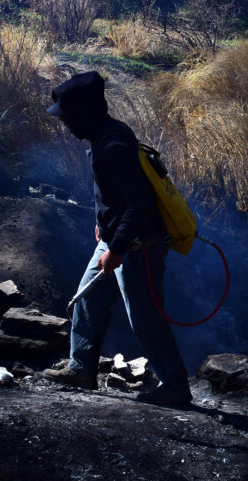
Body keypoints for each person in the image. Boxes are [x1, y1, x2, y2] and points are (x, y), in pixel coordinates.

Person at [42, 71, 192, 406]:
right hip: (116, 240)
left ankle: (175, 386)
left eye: (67, 117)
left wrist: (118, 248)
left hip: (138, 246)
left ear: (83, 112)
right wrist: (103, 225)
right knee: (87, 300)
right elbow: (115, 195)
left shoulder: (112, 144)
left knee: (145, 318)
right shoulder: (105, 134)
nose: (64, 124)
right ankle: (81, 368)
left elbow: (139, 204)